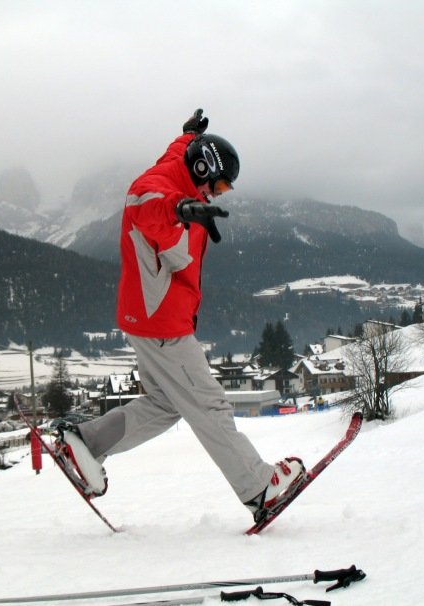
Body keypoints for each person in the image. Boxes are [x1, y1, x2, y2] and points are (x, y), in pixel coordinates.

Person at [55, 109, 304, 522]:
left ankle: (85, 444)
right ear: (202, 170)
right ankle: (260, 488)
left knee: (165, 404)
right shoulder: (162, 193)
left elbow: (176, 158)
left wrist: (188, 136)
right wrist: (179, 209)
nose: (219, 194)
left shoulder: (181, 167)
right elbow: (143, 201)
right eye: (219, 185)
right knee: (209, 406)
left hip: (147, 317)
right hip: (162, 323)